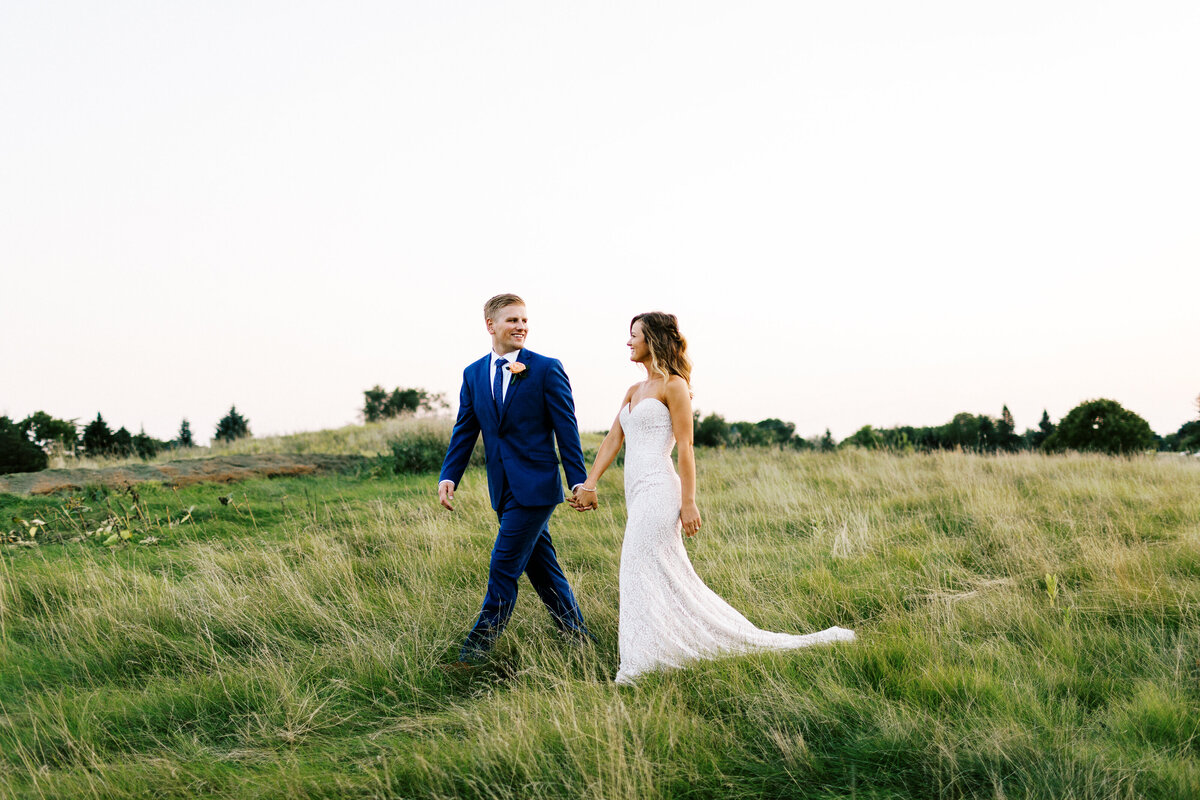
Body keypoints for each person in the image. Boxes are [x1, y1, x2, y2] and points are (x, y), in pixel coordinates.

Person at [571, 312, 855, 684]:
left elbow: (686, 447)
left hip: (660, 489)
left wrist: (688, 502)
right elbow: (612, 440)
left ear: (653, 339)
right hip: (635, 492)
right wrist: (590, 482)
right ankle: (659, 646)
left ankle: (640, 664)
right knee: (655, 572)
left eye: (634, 335)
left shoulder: (674, 386)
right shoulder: (632, 391)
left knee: (637, 565)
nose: (628, 342)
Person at [438, 293, 592, 666]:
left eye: (524, 320)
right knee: (544, 572)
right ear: (491, 326)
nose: (520, 326)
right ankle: (580, 640)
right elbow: (465, 429)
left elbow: (565, 429)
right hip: (502, 489)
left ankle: (473, 653)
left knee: (503, 567)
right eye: (512, 320)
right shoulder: (474, 373)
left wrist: (578, 481)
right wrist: (449, 475)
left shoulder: (546, 368)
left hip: (536, 488)